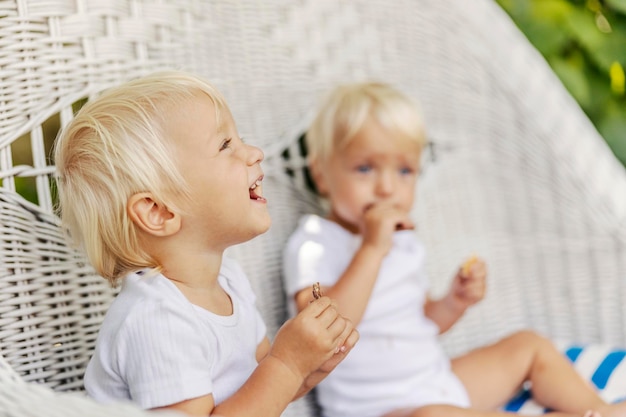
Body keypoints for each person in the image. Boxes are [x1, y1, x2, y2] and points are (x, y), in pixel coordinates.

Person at [283, 82, 626, 417]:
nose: (387, 188)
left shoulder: (403, 243)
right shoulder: (314, 242)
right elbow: (321, 333)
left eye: (404, 171)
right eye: (365, 168)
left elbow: (420, 321)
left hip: (436, 382)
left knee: (528, 345)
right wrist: (372, 250)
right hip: (382, 409)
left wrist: (452, 302)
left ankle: (602, 411)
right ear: (322, 174)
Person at [53, 71, 359, 417]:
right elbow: (272, 377)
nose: (255, 153)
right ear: (158, 211)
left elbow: (261, 397)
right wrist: (287, 364)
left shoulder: (228, 280)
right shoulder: (158, 321)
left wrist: (307, 367)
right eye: (226, 145)